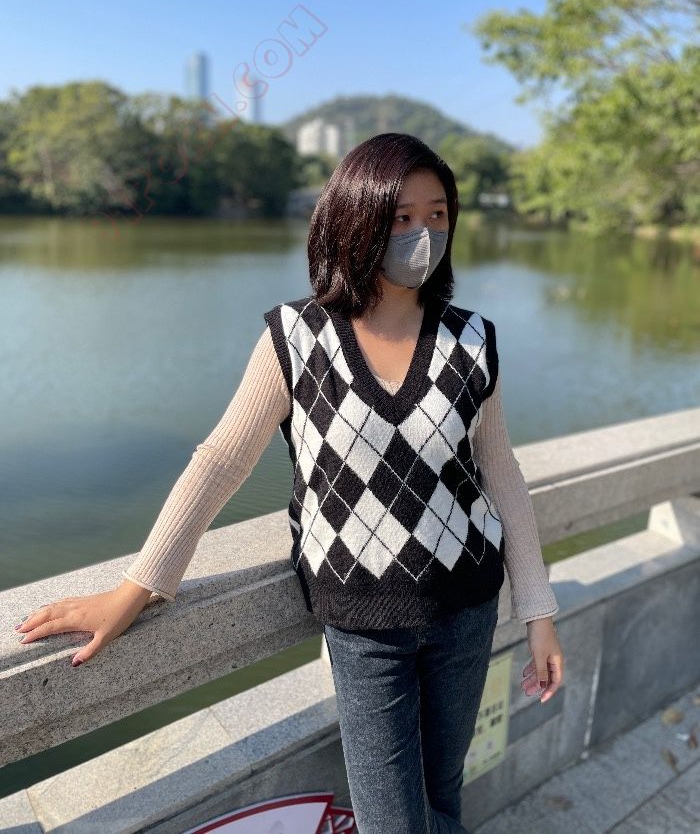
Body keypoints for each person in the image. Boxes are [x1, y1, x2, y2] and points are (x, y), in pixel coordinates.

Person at [14, 133, 565, 833]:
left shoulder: (472, 340)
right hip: (362, 625)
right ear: (355, 218)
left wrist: (538, 612)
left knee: (442, 795)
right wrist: (138, 587)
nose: (423, 234)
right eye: (401, 217)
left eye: (437, 214)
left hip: (467, 608)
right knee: (392, 821)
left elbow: (501, 473)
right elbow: (222, 459)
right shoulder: (297, 336)